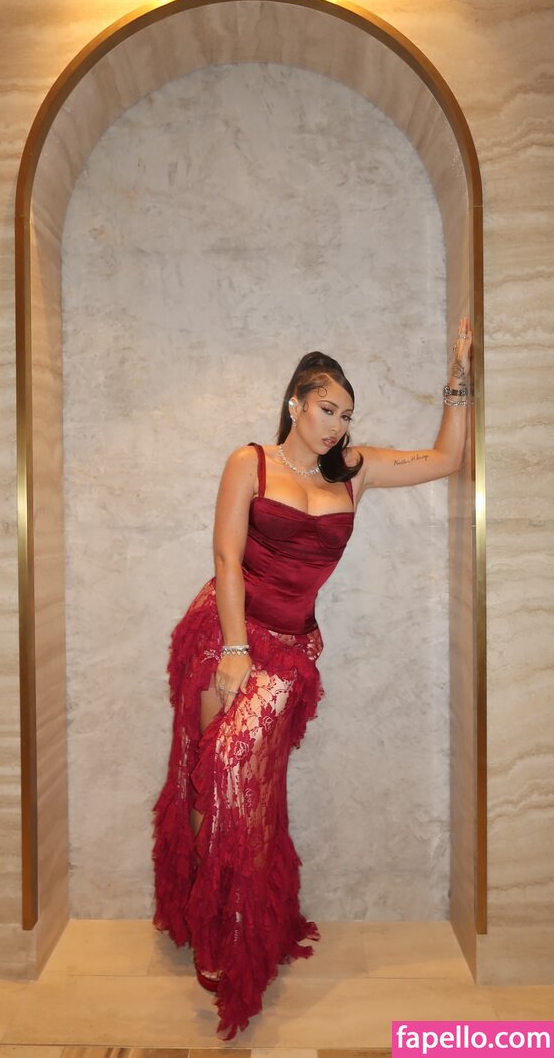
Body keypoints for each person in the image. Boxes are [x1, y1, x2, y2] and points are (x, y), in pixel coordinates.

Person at [152, 318, 474, 1041]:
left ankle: (242, 927)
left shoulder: (353, 471)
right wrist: (234, 648)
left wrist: (459, 376)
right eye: (328, 409)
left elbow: (448, 458)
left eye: (347, 415)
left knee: (241, 777)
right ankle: (207, 920)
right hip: (224, 634)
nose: (337, 426)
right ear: (295, 402)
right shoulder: (250, 461)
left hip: (290, 650)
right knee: (205, 777)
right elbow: (226, 557)